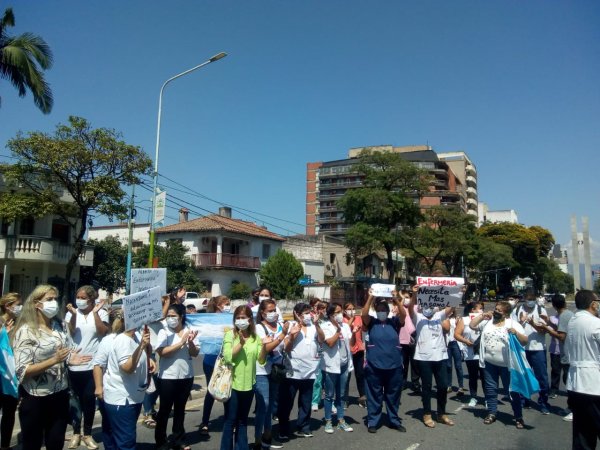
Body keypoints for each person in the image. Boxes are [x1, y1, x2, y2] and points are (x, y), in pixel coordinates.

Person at [12, 284, 92, 450]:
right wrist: (54, 360)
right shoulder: (26, 331)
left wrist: (69, 358)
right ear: (36, 304)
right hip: (35, 398)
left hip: (59, 395)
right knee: (32, 445)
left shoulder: (59, 326)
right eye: (49, 299)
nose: (54, 303)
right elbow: (22, 370)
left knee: (55, 442)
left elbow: (64, 352)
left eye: (55, 299)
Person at [470, 301, 528, 428]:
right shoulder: (488, 322)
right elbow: (472, 325)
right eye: (495, 309)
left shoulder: (513, 324)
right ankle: (492, 412)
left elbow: (525, 341)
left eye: (499, 310)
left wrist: (515, 333)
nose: (496, 311)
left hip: (507, 365)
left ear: (506, 313)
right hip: (489, 363)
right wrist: (482, 316)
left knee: (512, 391)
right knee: (491, 390)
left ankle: (518, 417)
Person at [65, 285, 109, 450]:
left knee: (89, 401)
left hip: (92, 366)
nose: (80, 300)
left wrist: (96, 313)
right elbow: (71, 330)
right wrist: (75, 315)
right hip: (74, 364)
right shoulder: (71, 313)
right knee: (74, 401)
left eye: (83, 298)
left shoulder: (101, 312)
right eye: (78, 297)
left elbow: (103, 331)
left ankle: (88, 434)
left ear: (91, 299)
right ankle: (76, 433)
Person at [220, 306, 267, 450]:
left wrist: (264, 346)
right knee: (230, 420)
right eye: (238, 318)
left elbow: (261, 360)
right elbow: (227, 357)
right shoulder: (230, 335)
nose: (240, 320)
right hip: (232, 384)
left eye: (243, 317)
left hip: (249, 385)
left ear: (250, 319)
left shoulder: (255, 338)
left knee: (242, 420)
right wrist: (240, 343)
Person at [409, 285, 454, 428]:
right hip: (424, 358)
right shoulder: (418, 317)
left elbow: (451, 307)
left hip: (440, 356)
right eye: (426, 304)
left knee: (442, 386)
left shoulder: (438, 316)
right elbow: (410, 308)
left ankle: (441, 413)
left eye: (432, 304)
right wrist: (414, 294)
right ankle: (427, 414)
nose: (429, 307)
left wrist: (458, 293)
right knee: (426, 387)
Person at [155, 304, 199, 450]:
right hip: (168, 377)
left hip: (186, 376)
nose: (170, 318)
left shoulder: (189, 331)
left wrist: (190, 342)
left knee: (180, 409)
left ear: (181, 317)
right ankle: (161, 441)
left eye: (173, 316)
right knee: (165, 410)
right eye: (168, 316)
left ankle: (178, 438)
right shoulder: (164, 332)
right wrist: (181, 343)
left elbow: (194, 353)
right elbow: (162, 352)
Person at [361, 291, 406, 433]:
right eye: (379, 310)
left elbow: (403, 314)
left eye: (383, 310)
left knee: (393, 394)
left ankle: (394, 420)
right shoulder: (372, 322)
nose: (381, 312)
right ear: (376, 311)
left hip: (394, 366)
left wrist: (395, 299)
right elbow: (364, 314)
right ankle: (373, 421)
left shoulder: (394, 322)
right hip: (375, 366)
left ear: (388, 311)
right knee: (374, 394)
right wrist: (370, 297)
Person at [278, 303, 325, 440]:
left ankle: (303, 426)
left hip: (310, 371)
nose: (307, 315)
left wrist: (317, 325)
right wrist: (292, 336)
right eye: (304, 312)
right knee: (286, 402)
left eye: (309, 312)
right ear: (297, 314)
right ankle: (283, 429)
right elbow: (285, 348)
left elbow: (322, 340)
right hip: (292, 371)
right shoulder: (291, 326)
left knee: (305, 402)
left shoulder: (313, 326)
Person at [102, 322, 152, 450]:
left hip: (133, 396)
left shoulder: (135, 337)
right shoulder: (123, 341)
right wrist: (141, 346)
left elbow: (141, 357)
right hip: (122, 399)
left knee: (119, 439)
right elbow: (127, 367)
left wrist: (148, 357)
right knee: (125, 443)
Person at [564, 289, 600, 449]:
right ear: (593, 304)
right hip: (594, 384)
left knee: (583, 434)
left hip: (576, 383)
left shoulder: (573, 322)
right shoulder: (595, 323)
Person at [511, 289, 551, 414]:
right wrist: (521, 321)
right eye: (528, 299)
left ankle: (543, 402)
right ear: (524, 299)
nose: (530, 302)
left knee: (541, 377)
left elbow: (543, 330)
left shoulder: (540, 310)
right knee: (523, 375)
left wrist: (532, 322)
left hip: (537, 348)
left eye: (532, 299)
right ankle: (524, 399)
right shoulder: (517, 310)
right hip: (522, 349)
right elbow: (512, 328)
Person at [254, 299, 287, 449]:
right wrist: (282, 335)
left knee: (272, 404)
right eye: (270, 310)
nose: (273, 313)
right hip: (261, 371)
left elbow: (286, 346)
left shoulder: (280, 326)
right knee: (264, 404)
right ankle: (257, 439)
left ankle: (267, 435)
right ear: (262, 313)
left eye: (275, 310)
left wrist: (290, 336)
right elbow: (266, 348)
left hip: (276, 370)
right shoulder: (259, 328)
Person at [92, 308, 125, 450]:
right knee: (110, 427)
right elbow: (98, 365)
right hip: (111, 390)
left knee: (123, 428)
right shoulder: (108, 340)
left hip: (129, 392)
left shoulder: (134, 337)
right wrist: (99, 387)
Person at [200, 295, 231, 436]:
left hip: (227, 360)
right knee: (211, 390)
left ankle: (229, 421)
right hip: (211, 360)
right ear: (219, 306)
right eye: (227, 303)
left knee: (226, 388)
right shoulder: (209, 320)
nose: (229, 306)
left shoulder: (231, 319)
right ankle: (205, 422)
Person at [321, 303, 354, 433]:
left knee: (341, 395)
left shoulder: (345, 326)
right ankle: (328, 421)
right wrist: (338, 331)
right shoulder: (325, 327)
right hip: (331, 366)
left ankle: (341, 420)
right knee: (329, 395)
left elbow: (350, 342)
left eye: (341, 311)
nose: (341, 314)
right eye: (338, 312)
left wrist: (352, 332)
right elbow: (329, 343)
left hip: (344, 364)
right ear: (331, 315)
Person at [454, 301, 485, 407]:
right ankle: (473, 397)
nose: (482, 310)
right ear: (472, 310)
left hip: (484, 353)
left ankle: (488, 399)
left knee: (486, 377)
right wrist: (466, 341)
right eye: (480, 308)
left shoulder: (485, 319)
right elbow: (457, 334)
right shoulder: (465, 320)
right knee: (473, 376)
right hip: (470, 353)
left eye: (482, 309)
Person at [0, 292, 21, 450]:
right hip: (1, 373)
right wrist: (5, 334)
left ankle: (5, 445)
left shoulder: (19, 323)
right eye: (17, 304)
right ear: (7, 306)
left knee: (9, 412)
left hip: (12, 376)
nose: (19, 307)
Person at [544, 294, 573, 403]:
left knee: (567, 377)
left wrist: (546, 328)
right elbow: (561, 329)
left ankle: (572, 403)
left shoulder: (564, 316)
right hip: (560, 350)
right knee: (557, 371)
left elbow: (561, 336)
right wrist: (549, 324)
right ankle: (556, 390)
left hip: (566, 351)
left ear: (554, 305)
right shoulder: (568, 314)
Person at [343, 302, 366, 408]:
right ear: (344, 311)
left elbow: (363, 330)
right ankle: (345, 399)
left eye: (353, 309)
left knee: (360, 375)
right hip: (347, 351)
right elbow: (345, 330)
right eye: (348, 309)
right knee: (346, 376)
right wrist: (351, 319)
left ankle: (363, 397)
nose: (351, 311)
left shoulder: (358, 318)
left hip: (359, 349)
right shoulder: (342, 320)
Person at [398, 291, 420, 393]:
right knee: (403, 363)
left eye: (407, 297)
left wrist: (412, 298)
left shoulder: (414, 308)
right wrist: (401, 298)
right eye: (404, 297)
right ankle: (403, 382)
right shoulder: (398, 308)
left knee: (414, 363)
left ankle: (415, 383)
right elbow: (398, 312)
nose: (405, 299)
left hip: (412, 338)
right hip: (401, 339)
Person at [309, 298, 326, 412]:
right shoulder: (312, 320)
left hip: (327, 352)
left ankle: (328, 400)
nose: (322, 310)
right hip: (316, 352)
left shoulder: (327, 321)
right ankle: (315, 401)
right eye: (320, 308)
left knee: (326, 378)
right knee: (317, 378)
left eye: (324, 308)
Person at [445, 307, 465, 396]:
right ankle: (448, 385)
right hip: (447, 344)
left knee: (458, 366)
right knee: (448, 366)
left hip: (456, 343)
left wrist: (457, 323)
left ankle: (460, 387)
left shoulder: (457, 319)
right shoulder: (443, 319)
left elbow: (461, 331)